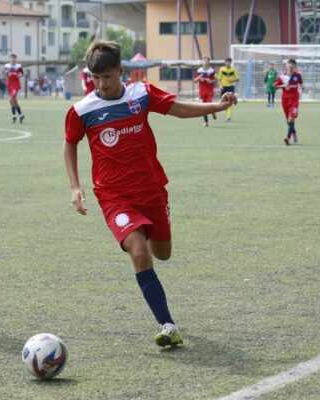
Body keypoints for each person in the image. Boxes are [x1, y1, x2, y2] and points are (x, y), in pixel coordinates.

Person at [63, 41, 236, 348]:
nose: (101, 84)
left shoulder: (141, 95)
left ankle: (154, 232)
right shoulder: (82, 110)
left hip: (151, 189)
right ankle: (168, 324)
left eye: (107, 77)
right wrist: (76, 186)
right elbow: (70, 144)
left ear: (121, 71)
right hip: (113, 196)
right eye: (96, 78)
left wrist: (217, 107)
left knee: (162, 253)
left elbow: (179, 110)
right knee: (139, 253)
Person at [274, 58, 305, 145]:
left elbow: (301, 83)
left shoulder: (298, 75)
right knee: (289, 121)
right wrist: (283, 85)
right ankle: (294, 133)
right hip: (285, 100)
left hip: (294, 99)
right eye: (289, 65)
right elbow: (275, 86)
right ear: (286, 66)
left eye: (292, 65)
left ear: (295, 67)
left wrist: (303, 87)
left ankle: (287, 138)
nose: (290, 67)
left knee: (291, 119)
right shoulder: (282, 76)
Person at [193, 56, 217, 127]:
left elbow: (215, 80)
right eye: (204, 61)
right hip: (202, 91)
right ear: (202, 62)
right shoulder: (199, 71)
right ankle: (206, 122)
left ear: (209, 62)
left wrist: (211, 81)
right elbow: (195, 81)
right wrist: (199, 77)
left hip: (209, 91)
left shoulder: (212, 71)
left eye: (207, 61)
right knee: (203, 107)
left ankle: (213, 111)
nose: (205, 62)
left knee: (209, 105)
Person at [216, 57, 239, 122]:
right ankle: (225, 112)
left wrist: (232, 80)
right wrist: (220, 85)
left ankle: (228, 117)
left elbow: (238, 78)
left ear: (230, 63)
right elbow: (219, 79)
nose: (228, 63)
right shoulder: (222, 69)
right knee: (222, 103)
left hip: (231, 87)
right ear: (225, 62)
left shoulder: (233, 70)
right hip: (224, 87)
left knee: (230, 102)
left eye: (229, 62)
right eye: (227, 62)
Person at [4, 53, 25, 123]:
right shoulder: (7, 66)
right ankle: (21, 114)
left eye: (14, 58)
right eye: (11, 58)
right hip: (9, 84)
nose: (12, 59)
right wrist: (7, 73)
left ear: (16, 59)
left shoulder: (18, 66)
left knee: (11, 100)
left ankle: (14, 115)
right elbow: (4, 72)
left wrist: (19, 76)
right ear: (10, 59)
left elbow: (22, 73)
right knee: (14, 101)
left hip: (15, 85)